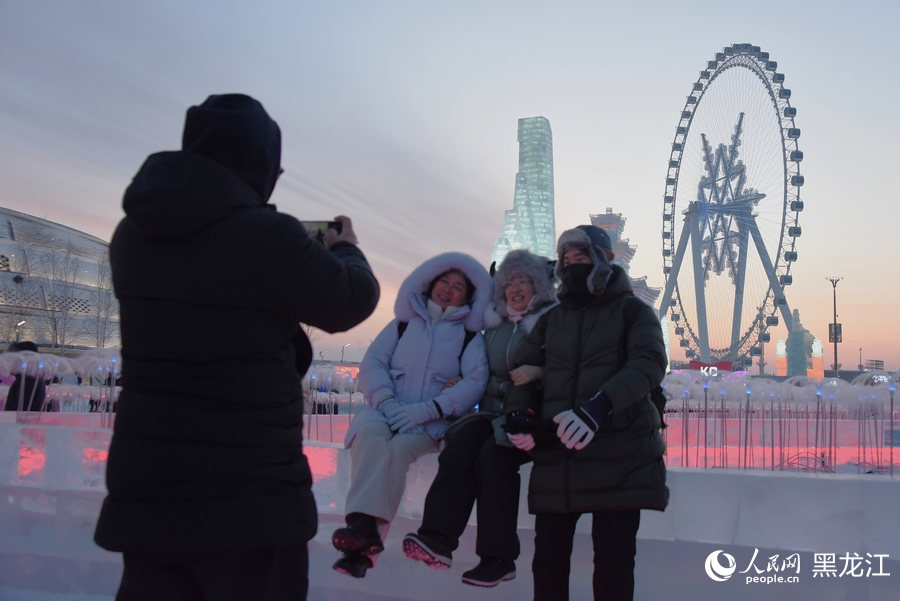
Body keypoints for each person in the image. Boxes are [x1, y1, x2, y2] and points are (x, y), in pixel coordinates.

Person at [93, 94, 380, 601]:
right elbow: (351, 302)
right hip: (247, 498)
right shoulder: (267, 237)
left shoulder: (130, 235)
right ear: (261, 165)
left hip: (149, 491)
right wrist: (346, 248)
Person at [505, 225, 668, 601]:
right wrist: (522, 415)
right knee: (547, 564)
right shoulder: (552, 318)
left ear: (605, 260)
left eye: (582, 257)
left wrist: (599, 407)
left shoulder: (633, 312)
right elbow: (523, 372)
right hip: (558, 454)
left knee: (613, 568)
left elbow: (649, 362)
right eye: (566, 260)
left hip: (621, 456)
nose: (573, 265)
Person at [333, 252, 492, 579]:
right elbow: (374, 363)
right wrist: (388, 402)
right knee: (372, 439)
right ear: (431, 284)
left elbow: (476, 381)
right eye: (444, 282)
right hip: (383, 409)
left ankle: (361, 543)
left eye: (458, 287)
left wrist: (431, 409)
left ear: (468, 297)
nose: (448, 289)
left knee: (397, 450)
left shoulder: (469, 337)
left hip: (429, 421)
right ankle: (362, 532)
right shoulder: (403, 325)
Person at [402, 249, 556, 587]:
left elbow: (568, 370)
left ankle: (497, 558)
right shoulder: (494, 326)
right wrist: (463, 378)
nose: (515, 289)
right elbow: (480, 368)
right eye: (509, 283)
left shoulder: (551, 323)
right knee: (460, 447)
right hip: (489, 414)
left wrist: (540, 371)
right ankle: (437, 539)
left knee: (493, 457)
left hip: (527, 419)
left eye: (523, 282)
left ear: (539, 287)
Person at [4, 341, 47, 412]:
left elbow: (21, 409)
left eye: (13, 357)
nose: (11, 361)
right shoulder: (32, 376)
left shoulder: (28, 379)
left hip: (20, 422)